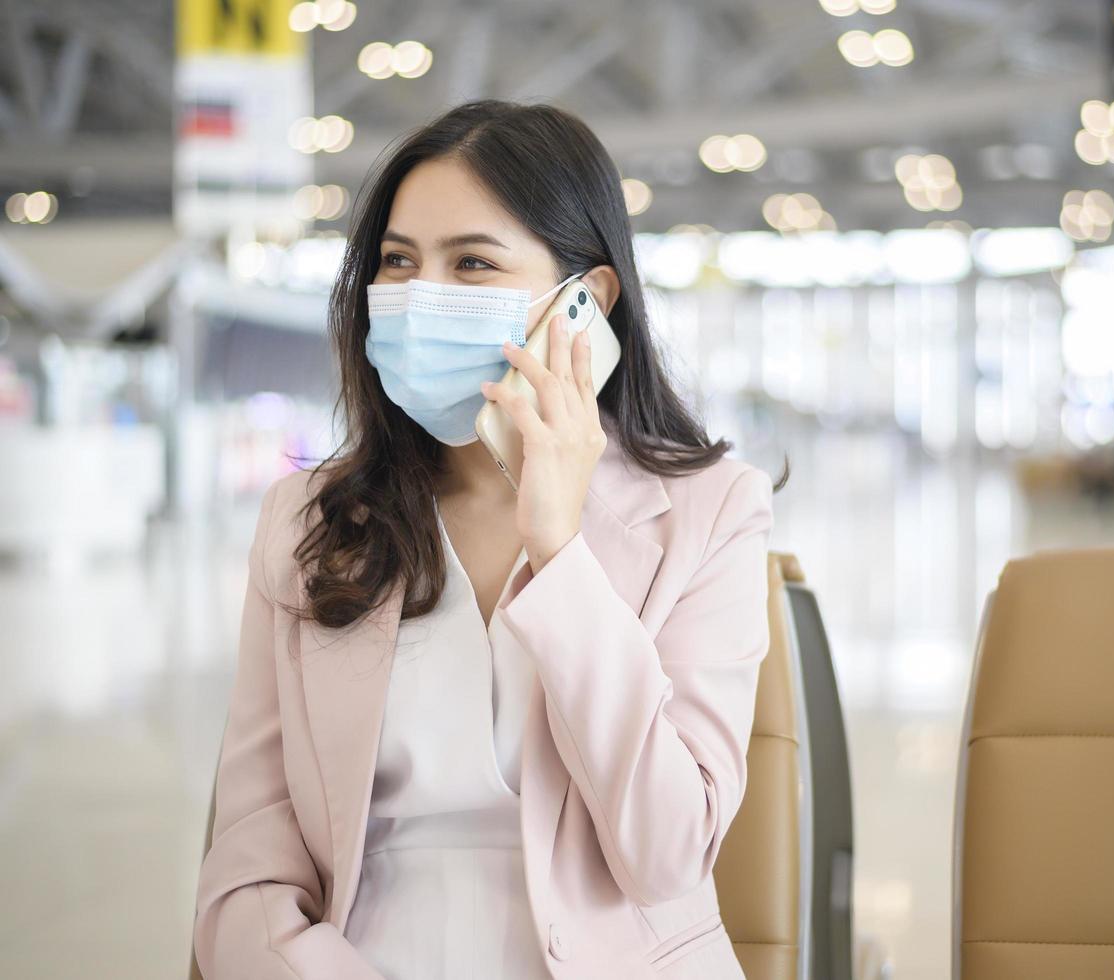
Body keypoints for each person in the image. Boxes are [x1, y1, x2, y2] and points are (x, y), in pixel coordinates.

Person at [191, 98, 789, 980]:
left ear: (585, 303)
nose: (419, 297)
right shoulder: (306, 519)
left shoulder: (710, 511)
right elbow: (246, 867)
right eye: (398, 262)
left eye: (472, 263)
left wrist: (560, 551)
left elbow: (667, 853)